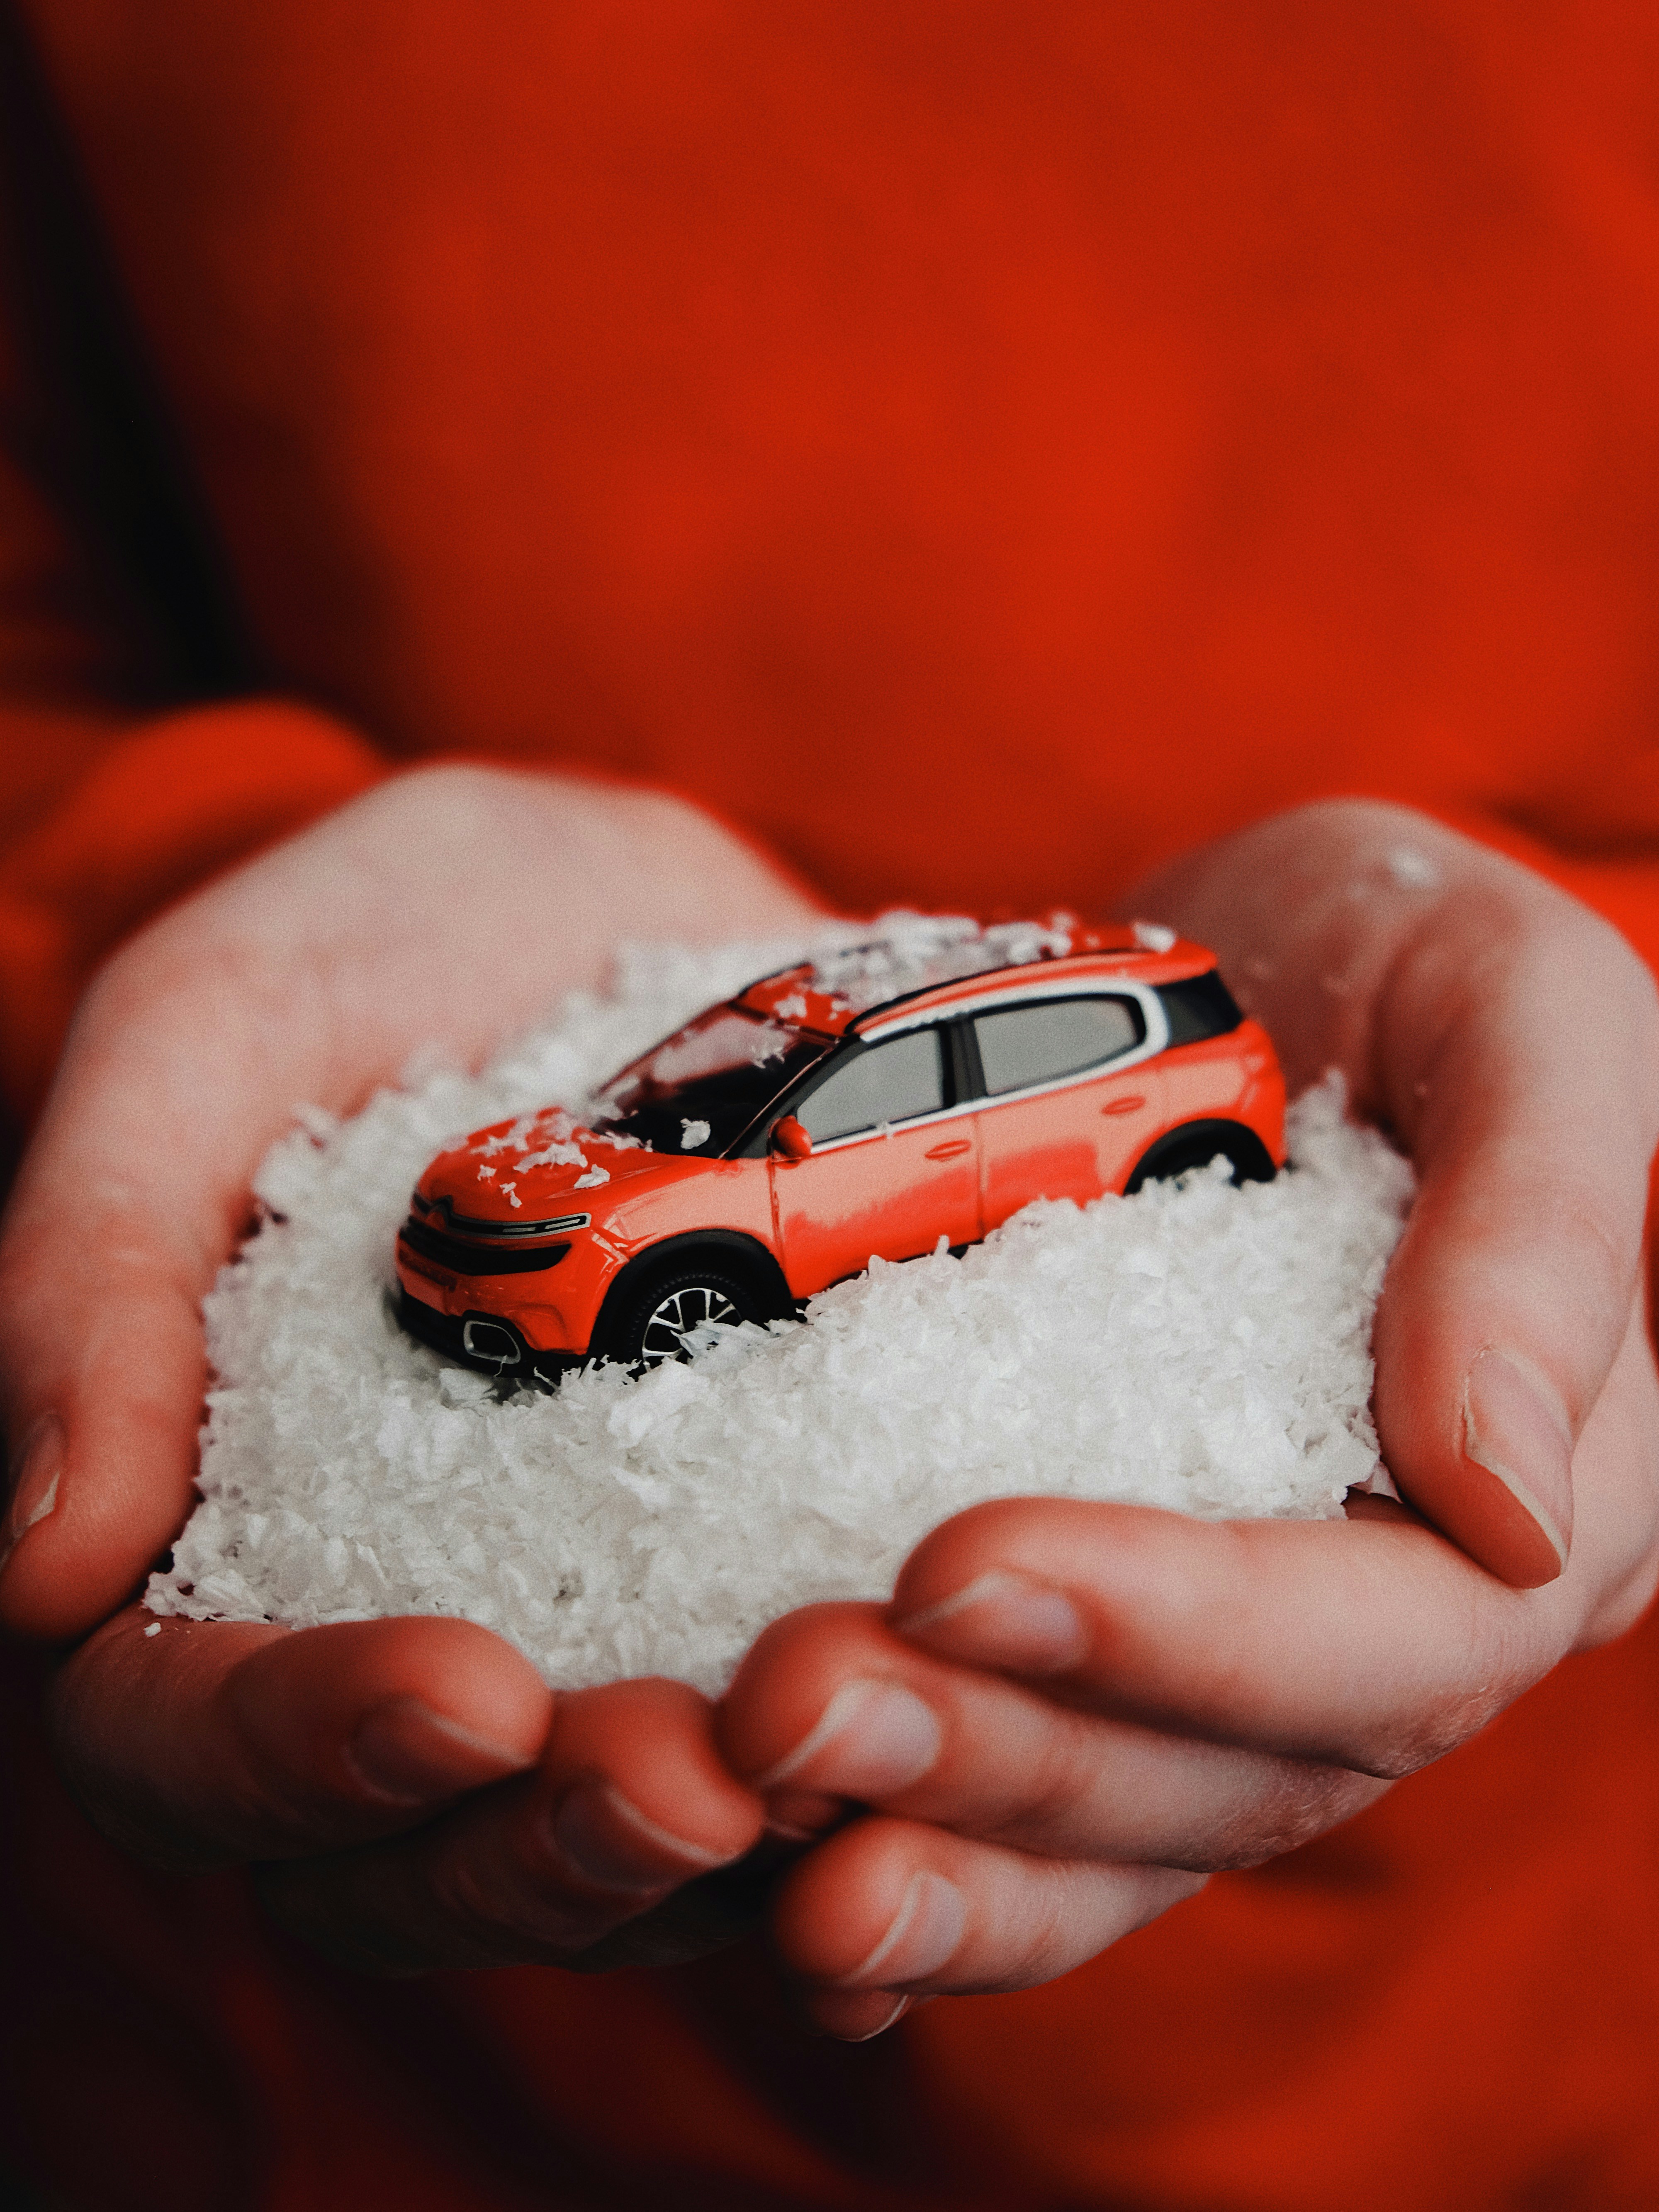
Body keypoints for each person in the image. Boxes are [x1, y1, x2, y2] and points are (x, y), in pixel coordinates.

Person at [1, 6, 1657, 2207]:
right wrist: (134, 897)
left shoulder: (1025, 1097)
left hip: (1513, 2010)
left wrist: (1616, 1094)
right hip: (333, 2086)